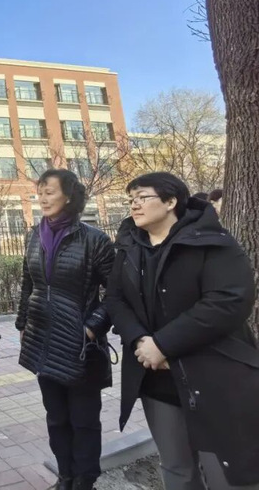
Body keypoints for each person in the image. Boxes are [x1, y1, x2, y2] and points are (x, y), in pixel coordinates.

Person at [106, 173, 259, 490]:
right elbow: (115, 299)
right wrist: (140, 341)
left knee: (227, 469)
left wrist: (163, 344)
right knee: (176, 469)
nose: (134, 204)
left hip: (214, 375)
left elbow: (228, 301)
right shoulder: (129, 248)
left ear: (170, 201)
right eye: (131, 198)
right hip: (156, 380)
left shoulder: (212, 242)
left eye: (142, 196)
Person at [15, 169, 115, 490]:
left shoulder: (94, 240)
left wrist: (92, 327)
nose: (42, 198)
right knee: (56, 418)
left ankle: (85, 481)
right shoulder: (34, 235)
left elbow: (118, 292)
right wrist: (22, 323)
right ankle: (65, 477)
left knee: (84, 421)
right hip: (43, 342)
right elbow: (28, 283)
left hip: (80, 346)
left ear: (69, 196)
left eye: (50, 192)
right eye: (40, 192)